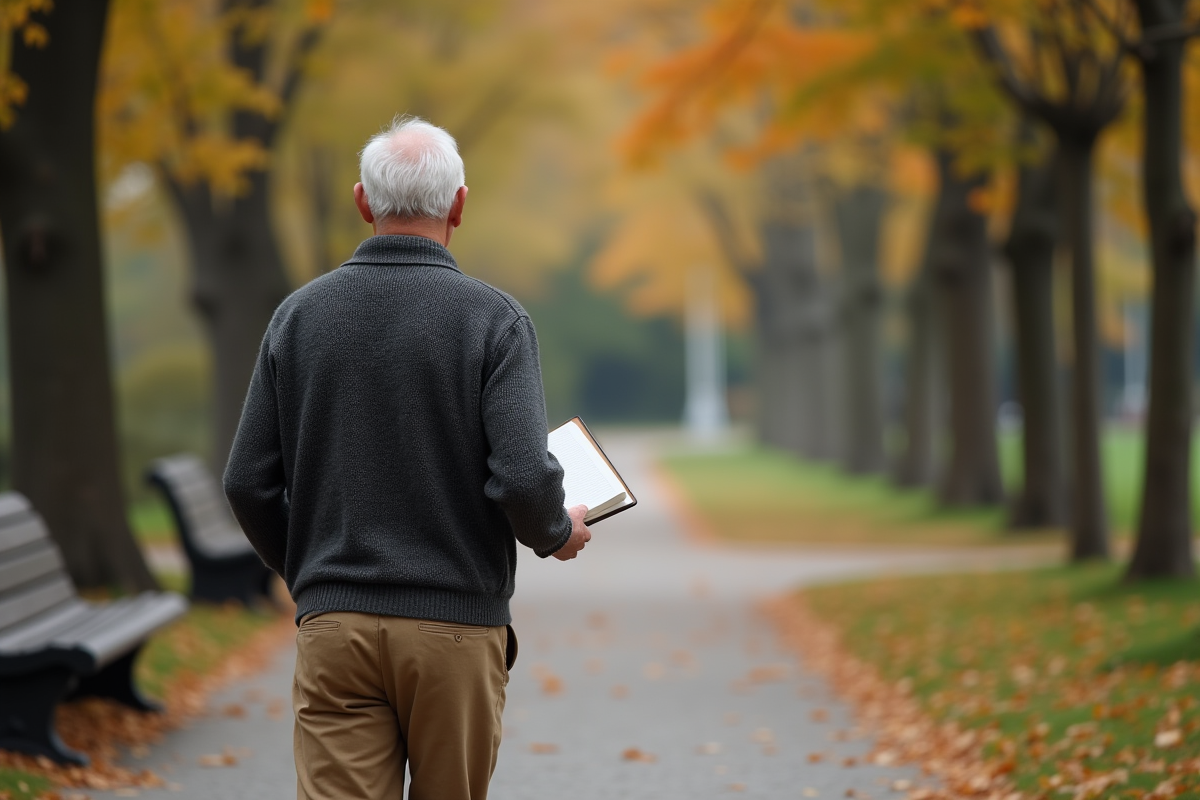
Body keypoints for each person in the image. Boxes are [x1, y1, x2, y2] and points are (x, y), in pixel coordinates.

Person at [223, 115, 591, 800]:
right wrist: (556, 532)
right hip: (454, 627)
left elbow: (247, 481)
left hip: (335, 625)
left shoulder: (298, 317)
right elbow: (520, 473)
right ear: (459, 205)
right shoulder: (494, 320)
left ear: (363, 201)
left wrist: (311, 572)